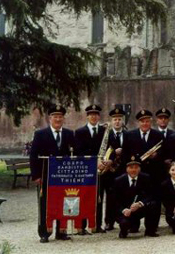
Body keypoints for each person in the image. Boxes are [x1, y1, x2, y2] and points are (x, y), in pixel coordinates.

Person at [30, 104, 76, 243]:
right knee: (45, 204)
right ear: (50, 118)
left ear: (63, 118)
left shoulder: (69, 134)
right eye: (55, 116)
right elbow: (33, 156)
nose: (58, 119)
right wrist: (36, 176)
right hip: (46, 176)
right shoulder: (40, 134)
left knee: (64, 202)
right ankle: (44, 233)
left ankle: (61, 232)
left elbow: (75, 153)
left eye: (60, 116)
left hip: (64, 177)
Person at [74, 103, 107, 234]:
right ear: (87, 117)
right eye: (91, 114)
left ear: (99, 117)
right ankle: (81, 226)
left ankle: (96, 225)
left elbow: (108, 148)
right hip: (86, 170)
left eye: (96, 114)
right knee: (84, 198)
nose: (93, 117)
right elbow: (78, 151)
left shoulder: (104, 131)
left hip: (101, 169)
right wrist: (94, 161)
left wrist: (104, 161)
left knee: (99, 197)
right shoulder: (79, 132)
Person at [113, 154, 160, 238]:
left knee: (153, 204)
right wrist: (123, 210)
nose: (133, 170)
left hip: (139, 208)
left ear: (139, 168)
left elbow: (151, 195)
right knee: (124, 223)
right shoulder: (119, 181)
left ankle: (150, 230)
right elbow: (115, 200)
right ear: (127, 169)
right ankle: (124, 230)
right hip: (126, 211)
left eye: (136, 167)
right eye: (131, 168)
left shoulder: (146, 178)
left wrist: (140, 203)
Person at [103, 106, 127, 231]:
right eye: (115, 119)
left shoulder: (128, 134)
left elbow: (130, 150)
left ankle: (125, 221)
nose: (117, 121)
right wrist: (113, 155)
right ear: (111, 121)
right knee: (111, 196)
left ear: (122, 121)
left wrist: (123, 152)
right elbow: (103, 151)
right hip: (110, 171)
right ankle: (109, 221)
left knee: (125, 195)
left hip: (124, 170)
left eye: (119, 119)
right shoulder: (106, 135)